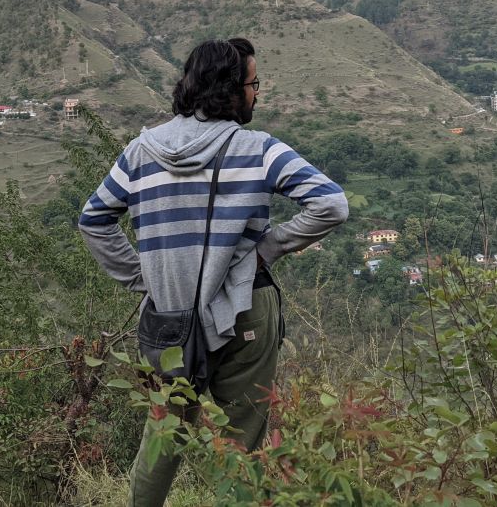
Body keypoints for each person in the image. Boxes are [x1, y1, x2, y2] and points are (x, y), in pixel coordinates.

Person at [78, 37, 349, 506]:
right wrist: (267, 249)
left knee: (164, 431)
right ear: (231, 88)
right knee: (237, 440)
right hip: (245, 310)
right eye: (253, 83)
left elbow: (94, 220)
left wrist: (147, 277)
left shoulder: (140, 152)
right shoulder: (258, 149)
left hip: (169, 317)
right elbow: (331, 204)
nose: (257, 93)